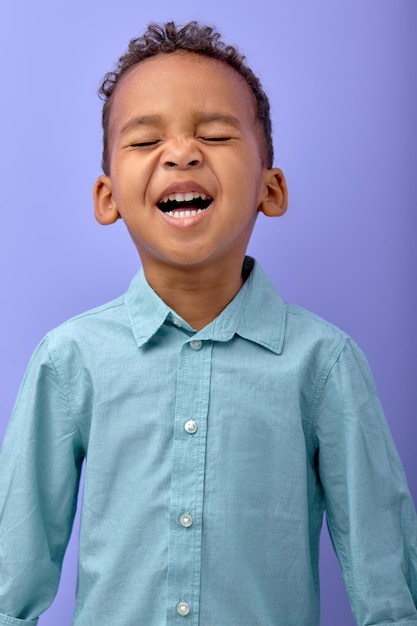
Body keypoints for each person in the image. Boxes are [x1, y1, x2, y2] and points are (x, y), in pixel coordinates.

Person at [0, 20, 416, 626]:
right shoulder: (70, 360)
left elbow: (390, 597)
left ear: (270, 190)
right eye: (144, 143)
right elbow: (10, 584)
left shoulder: (325, 363)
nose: (181, 152)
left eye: (216, 134)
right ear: (108, 197)